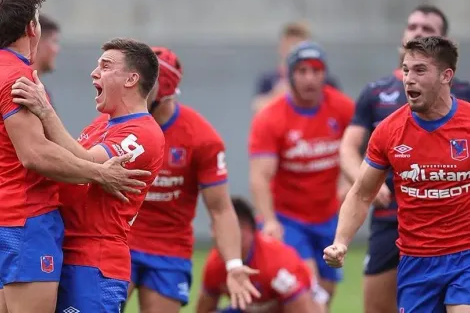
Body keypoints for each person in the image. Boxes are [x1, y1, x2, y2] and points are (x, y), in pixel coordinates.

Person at [0, 0, 149, 313]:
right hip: (26, 219)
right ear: (31, 30)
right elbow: (35, 155)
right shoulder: (16, 76)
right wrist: (98, 173)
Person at [12, 38, 165, 312]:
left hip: (94, 260)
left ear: (131, 79)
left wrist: (45, 111)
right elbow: (69, 162)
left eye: (105, 66)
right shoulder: (101, 124)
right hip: (63, 251)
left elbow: (85, 166)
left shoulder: (144, 132)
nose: (94, 73)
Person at [339, 4, 470, 313]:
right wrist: (342, 241)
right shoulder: (387, 130)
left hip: (464, 254)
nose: (408, 79)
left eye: (420, 71)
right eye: (407, 70)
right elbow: (360, 192)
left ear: (446, 75)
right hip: (415, 258)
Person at [125, 47, 260, 313]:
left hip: (169, 250)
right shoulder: (116, 124)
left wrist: (233, 265)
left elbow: (220, 209)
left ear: (161, 92)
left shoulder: (201, 138)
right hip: (120, 242)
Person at [249, 41, 355, 308]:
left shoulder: (342, 108)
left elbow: (358, 153)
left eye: (316, 71)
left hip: (328, 217)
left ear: (324, 74)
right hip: (289, 221)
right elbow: (260, 176)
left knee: (325, 295)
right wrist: (271, 221)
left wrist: (348, 187)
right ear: (290, 74)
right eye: (303, 71)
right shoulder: (271, 117)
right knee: (310, 291)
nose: (310, 78)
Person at [197, 196, 327, 313]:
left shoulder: (275, 263)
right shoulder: (215, 262)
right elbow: (204, 307)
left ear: (246, 230)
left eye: (221, 228)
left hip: (296, 302)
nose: (213, 234)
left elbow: (302, 307)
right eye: (214, 227)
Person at [251, 21, 341, 113]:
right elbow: (258, 110)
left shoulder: (325, 80)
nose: (292, 52)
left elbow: (340, 110)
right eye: (289, 46)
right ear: (281, 47)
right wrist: (279, 94)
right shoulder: (268, 79)